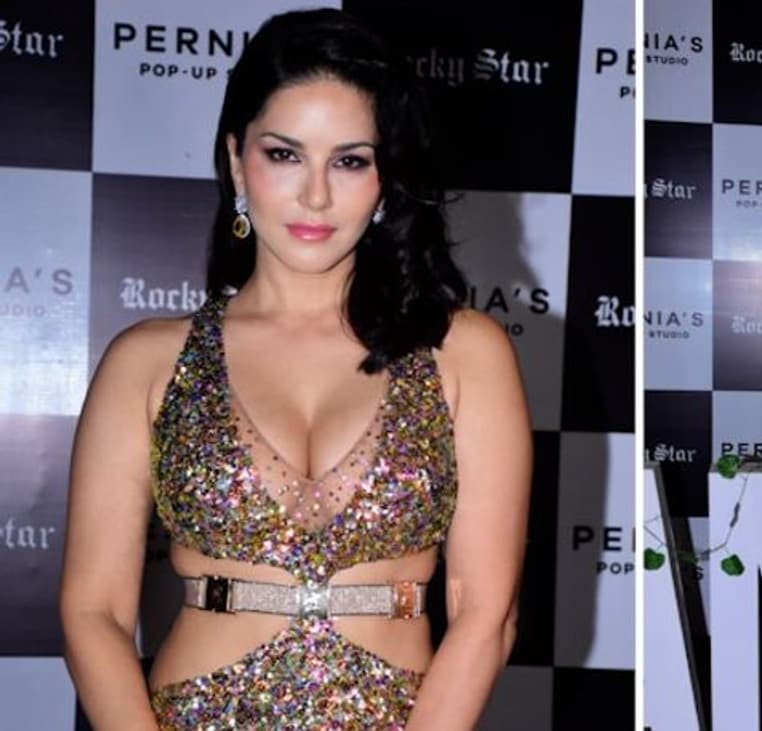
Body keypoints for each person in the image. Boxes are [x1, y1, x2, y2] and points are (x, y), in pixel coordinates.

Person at [59, 9, 531, 729]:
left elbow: (485, 610)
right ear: (235, 159)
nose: (316, 195)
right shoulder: (146, 362)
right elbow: (94, 611)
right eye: (285, 154)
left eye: (350, 160)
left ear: (386, 177)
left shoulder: (462, 352)